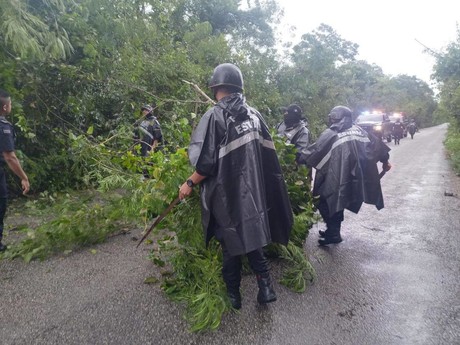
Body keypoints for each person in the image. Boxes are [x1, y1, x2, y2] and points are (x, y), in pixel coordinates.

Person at [178, 63, 293, 309]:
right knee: (251, 236)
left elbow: (205, 162)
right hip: (254, 194)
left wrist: (189, 183)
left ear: (216, 87)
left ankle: (234, 295)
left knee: (230, 243)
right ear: (237, 86)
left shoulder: (214, 115)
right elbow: (267, 157)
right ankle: (266, 287)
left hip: (226, 195)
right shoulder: (255, 114)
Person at [298, 106, 391, 246]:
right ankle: (333, 231)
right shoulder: (360, 131)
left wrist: (298, 158)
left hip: (336, 176)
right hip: (356, 177)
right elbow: (377, 146)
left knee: (325, 199)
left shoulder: (330, 133)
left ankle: (334, 233)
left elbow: (315, 151)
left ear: (334, 118)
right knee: (337, 201)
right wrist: (385, 161)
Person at [0, 89, 30, 252]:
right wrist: (24, 177)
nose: (11, 105)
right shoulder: (3, 127)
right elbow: (10, 157)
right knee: (0, 204)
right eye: (10, 103)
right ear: (5, 107)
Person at [133, 103, 163, 178]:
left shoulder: (154, 121)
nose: (144, 111)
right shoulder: (142, 121)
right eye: (143, 110)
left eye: (146, 110)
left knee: (148, 165)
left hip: (149, 148)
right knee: (141, 165)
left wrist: (153, 148)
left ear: (150, 111)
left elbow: (157, 137)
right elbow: (138, 135)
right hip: (141, 147)